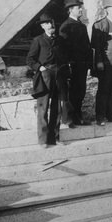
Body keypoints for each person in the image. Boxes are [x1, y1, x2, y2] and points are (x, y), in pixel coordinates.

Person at [27, 13, 63, 146]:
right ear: (42, 26)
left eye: (52, 23)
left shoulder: (58, 40)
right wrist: (40, 68)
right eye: (47, 23)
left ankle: (55, 139)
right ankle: (43, 140)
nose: (51, 25)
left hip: (57, 74)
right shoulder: (38, 40)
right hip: (44, 75)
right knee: (43, 107)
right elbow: (30, 59)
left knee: (57, 108)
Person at [59, 0, 92, 126]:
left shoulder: (81, 26)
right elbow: (63, 49)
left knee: (80, 91)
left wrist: (89, 63)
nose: (81, 10)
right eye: (78, 8)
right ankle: (69, 119)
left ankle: (78, 117)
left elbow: (87, 46)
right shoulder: (65, 26)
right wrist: (68, 64)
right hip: (72, 65)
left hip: (82, 65)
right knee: (72, 92)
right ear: (71, 9)